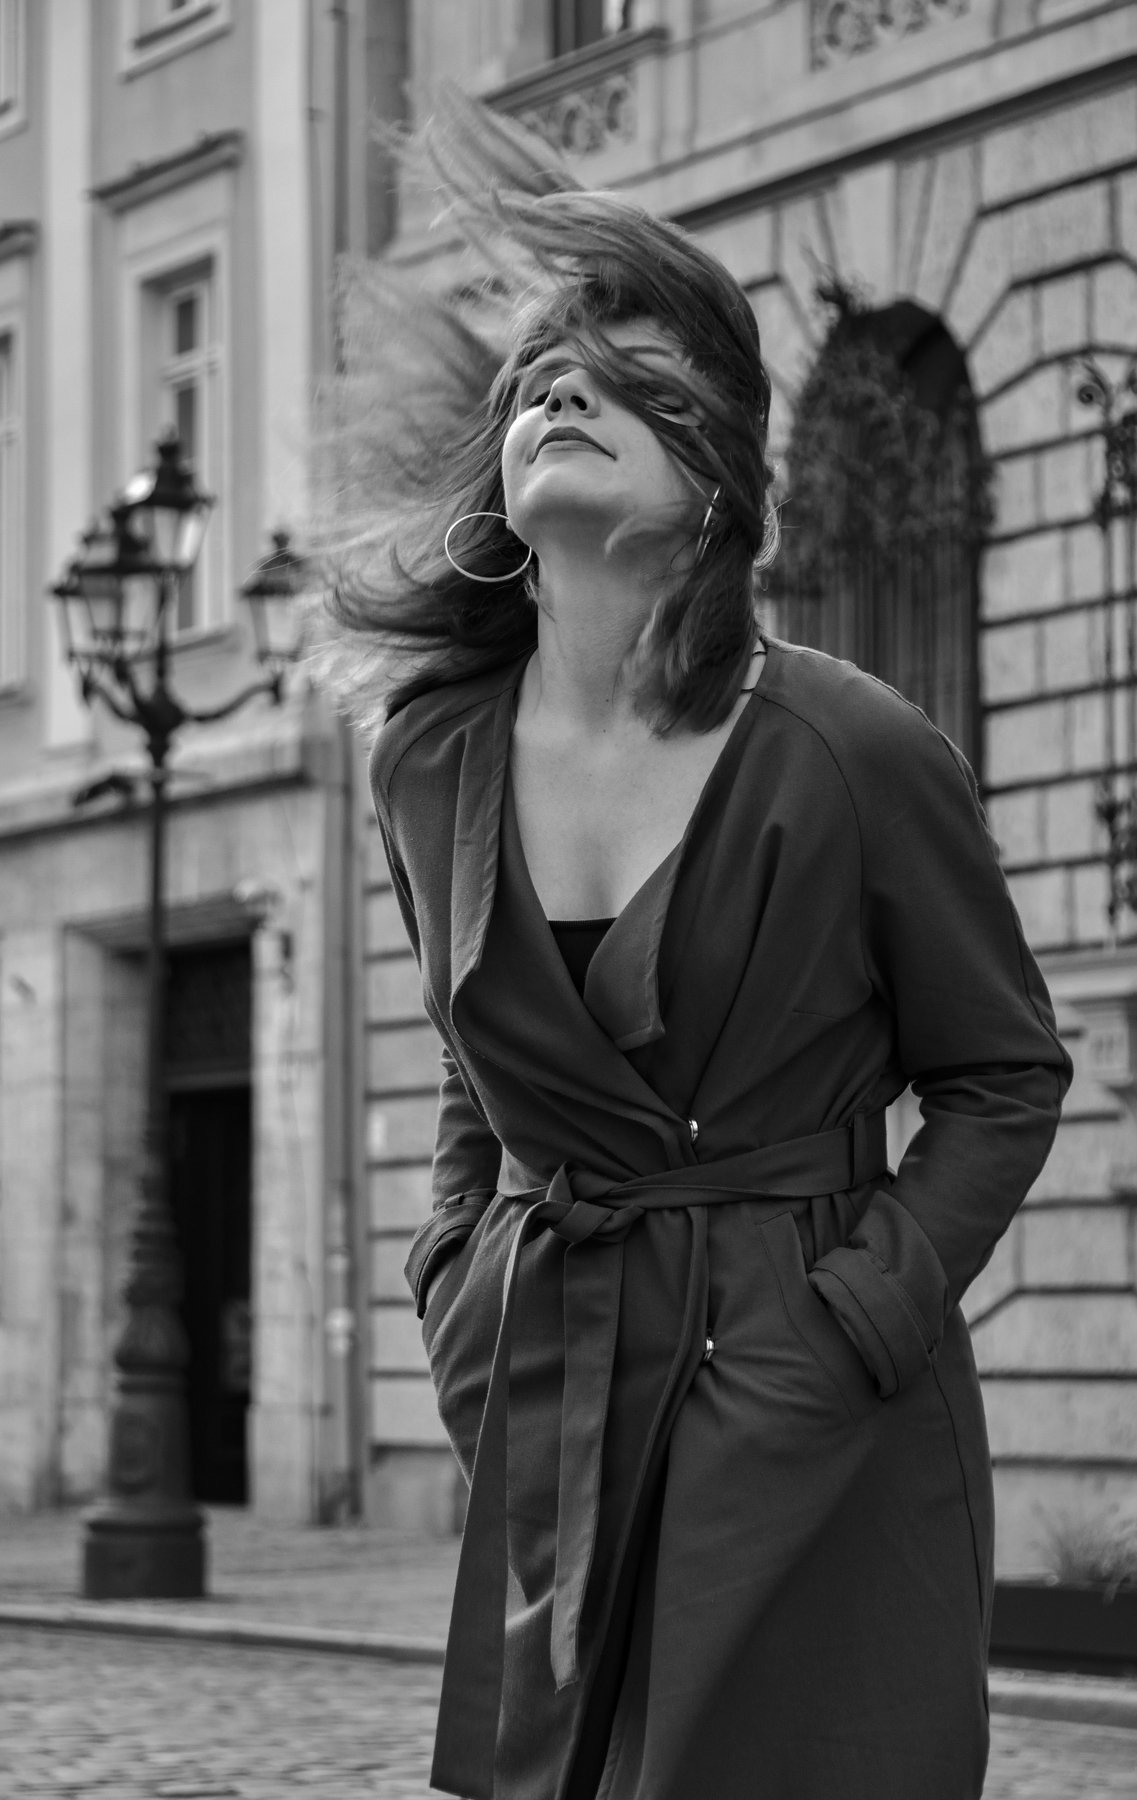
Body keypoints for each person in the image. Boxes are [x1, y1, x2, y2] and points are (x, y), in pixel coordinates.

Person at [329, 98, 1072, 1800]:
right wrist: (459, 1287)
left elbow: (1001, 1077)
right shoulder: (425, 758)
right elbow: (472, 1063)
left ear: (721, 471)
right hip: (550, 1395)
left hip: (813, 1415)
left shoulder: (853, 749)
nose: (559, 393)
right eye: (540, 375)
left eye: (624, 377)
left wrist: (852, 1320)